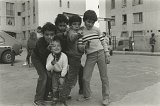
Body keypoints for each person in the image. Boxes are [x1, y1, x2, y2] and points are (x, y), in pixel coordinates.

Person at [78, 10, 110, 106]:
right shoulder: (81, 32)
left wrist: (107, 53)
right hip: (90, 56)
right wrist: (85, 46)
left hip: (101, 54)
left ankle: (106, 97)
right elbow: (80, 46)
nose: (90, 24)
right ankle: (87, 95)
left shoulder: (97, 30)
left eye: (92, 22)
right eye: (88, 22)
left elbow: (103, 42)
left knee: (104, 77)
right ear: (84, 20)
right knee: (85, 78)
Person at [55, 14, 84, 97]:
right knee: (65, 76)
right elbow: (70, 37)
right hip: (59, 57)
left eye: (64, 25)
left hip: (68, 56)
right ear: (57, 25)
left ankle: (81, 89)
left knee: (79, 71)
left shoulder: (69, 31)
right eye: (60, 25)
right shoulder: (60, 33)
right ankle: (61, 93)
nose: (63, 27)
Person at [31, 22, 57, 106]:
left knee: (49, 76)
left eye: (52, 34)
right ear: (43, 34)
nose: (49, 37)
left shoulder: (56, 41)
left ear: (55, 34)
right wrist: (48, 49)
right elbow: (42, 55)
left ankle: (45, 96)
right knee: (43, 76)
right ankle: (38, 99)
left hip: (46, 60)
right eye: (47, 34)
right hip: (37, 59)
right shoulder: (40, 42)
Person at [46, 37, 68, 106]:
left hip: (63, 73)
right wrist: (52, 63)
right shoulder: (50, 56)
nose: (56, 47)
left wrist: (62, 76)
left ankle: (63, 100)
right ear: (51, 48)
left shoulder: (64, 56)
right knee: (54, 87)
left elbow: (65, 67)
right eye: (54, 46)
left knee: (62, 88)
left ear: (61, 47)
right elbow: (47, 68)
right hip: (55, 74)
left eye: (58, 45)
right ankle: (55, 99)